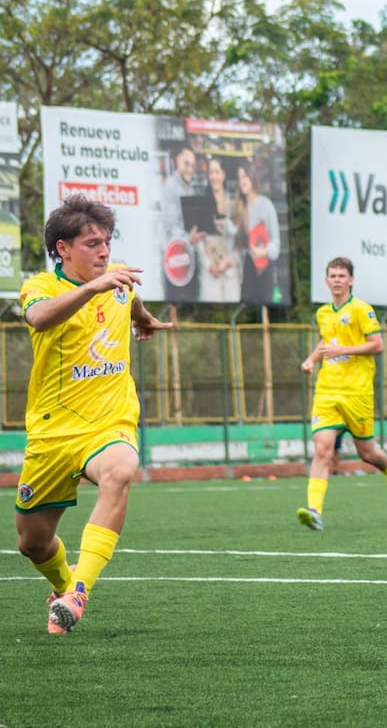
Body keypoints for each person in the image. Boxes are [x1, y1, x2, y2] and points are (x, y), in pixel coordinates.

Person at [16, 195, 171, 633]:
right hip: (53, 432)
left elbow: (131, 304)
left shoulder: (118, 282)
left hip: (109, 422)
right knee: (33, 542)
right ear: (63, 249)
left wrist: (144, 321)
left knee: (122, 469)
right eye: (91, 243)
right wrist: (91, 290)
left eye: (106, 241)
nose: (103, 251)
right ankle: (64, 586)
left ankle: (79, 592)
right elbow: (40, 319)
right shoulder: (41, 287)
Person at [298, 257, 387, 530]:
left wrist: (342, 351)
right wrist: (312, 359)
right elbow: (327, 341)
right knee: (322, 450)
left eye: (341, 276)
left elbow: (377, 344)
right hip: (327, 391)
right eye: (332, 275)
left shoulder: (361, 309)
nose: (336, 280)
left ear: (351, 280)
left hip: (357, 393)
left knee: (367, 454)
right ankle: (314, 511)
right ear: (326, 281)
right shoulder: (323, 313)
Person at [159, 143, 204, 302]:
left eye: (192, 165)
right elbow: (170, 228)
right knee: (177, 301)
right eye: (186, 164)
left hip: (186, 258)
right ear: (176, 161)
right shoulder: (171, 187)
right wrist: (188, 239)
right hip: (174, 260)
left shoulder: (189, 189)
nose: (190, 169)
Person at [232, 162, 280, 305]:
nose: (242, 181)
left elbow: (276, 244)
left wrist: (263, 251)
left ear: (252, 178)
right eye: (239, 178)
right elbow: (236, 245)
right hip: (247, 269)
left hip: (265, 267)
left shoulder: (266, 205)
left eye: (245, 176)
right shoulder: (238, 208)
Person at [196, 156, 240, 302]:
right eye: (211, 173)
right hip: (210, 273)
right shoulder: (201, 204)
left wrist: (228, 260)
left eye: (217, 172)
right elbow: (198, 241)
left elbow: (240, 239)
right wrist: (209, 265)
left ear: (223, 174)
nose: (214, 176)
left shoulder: (234, 204)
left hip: (230, 272)